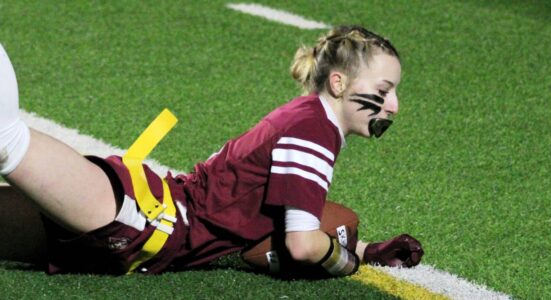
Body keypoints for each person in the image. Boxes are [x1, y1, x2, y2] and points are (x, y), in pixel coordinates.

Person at [0, 25, 423, 277]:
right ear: (338, 84)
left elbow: (286, 226)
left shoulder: (306, 116)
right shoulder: (314, 131)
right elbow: (303, 244)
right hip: (153, 225)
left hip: (152, 209)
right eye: (384, 91)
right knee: (7, 141)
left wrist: (367, 250)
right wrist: (348, 263)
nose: (394, 105)